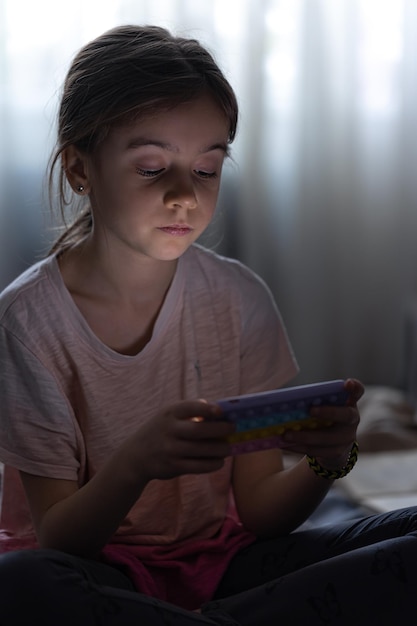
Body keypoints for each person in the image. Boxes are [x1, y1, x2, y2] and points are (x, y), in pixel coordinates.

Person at [0, 24, 415, 626]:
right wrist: (137, 461)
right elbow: (62, 538)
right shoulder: (28, 322)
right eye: (150, 168)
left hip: (221, 564)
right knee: (21, 582)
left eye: (206, 169)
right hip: (94, 573)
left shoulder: (239, 299)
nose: (183, 197)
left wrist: (330, 458)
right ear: (78, 169)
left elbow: (261, 512)